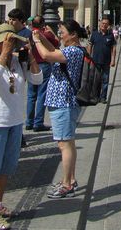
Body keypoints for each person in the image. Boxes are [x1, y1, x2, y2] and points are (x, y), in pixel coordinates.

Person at [0, 23, 43, 230]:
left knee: (6, 166)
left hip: (15, 121)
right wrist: (4, 54)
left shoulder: (17, 63)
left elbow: (37, 79)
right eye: (7, 41)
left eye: (13, 41)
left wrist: (31, 57)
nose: (12, 44)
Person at [32, 19, 85, 199]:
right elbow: (54, 50)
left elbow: (47, 56)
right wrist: (42, 38)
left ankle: (66, 185)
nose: (60, 35)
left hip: (64, 102)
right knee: (67, 142)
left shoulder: (72, 51)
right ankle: (70, 179)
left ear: (73, 35)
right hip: (63, 102)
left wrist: (37, 41)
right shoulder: (73, 50)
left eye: (62, 32)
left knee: (64, 144)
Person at [26, 15, 59, 131]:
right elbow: (56, 44)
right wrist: (51, 31)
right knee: (41, 94)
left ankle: (29, 122)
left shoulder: (29, 34)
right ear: (42, 24)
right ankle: (38, 122)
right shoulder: (47, 35)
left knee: (31, 95)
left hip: (32, 65)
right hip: (44, 65)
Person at [90, 16, 117, 101]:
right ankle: (96, 96)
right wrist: (89, 57)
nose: (104, 25)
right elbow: (90, 46)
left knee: (105, 80)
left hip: (106, 61)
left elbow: (113, 48)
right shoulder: (94, 34)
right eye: (103, 23)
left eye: (106, 24)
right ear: (100, 24)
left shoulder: (110, 35)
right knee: (96, 80)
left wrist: (113, 60)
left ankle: (103, 97)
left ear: (108, 25)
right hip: (95, 60)